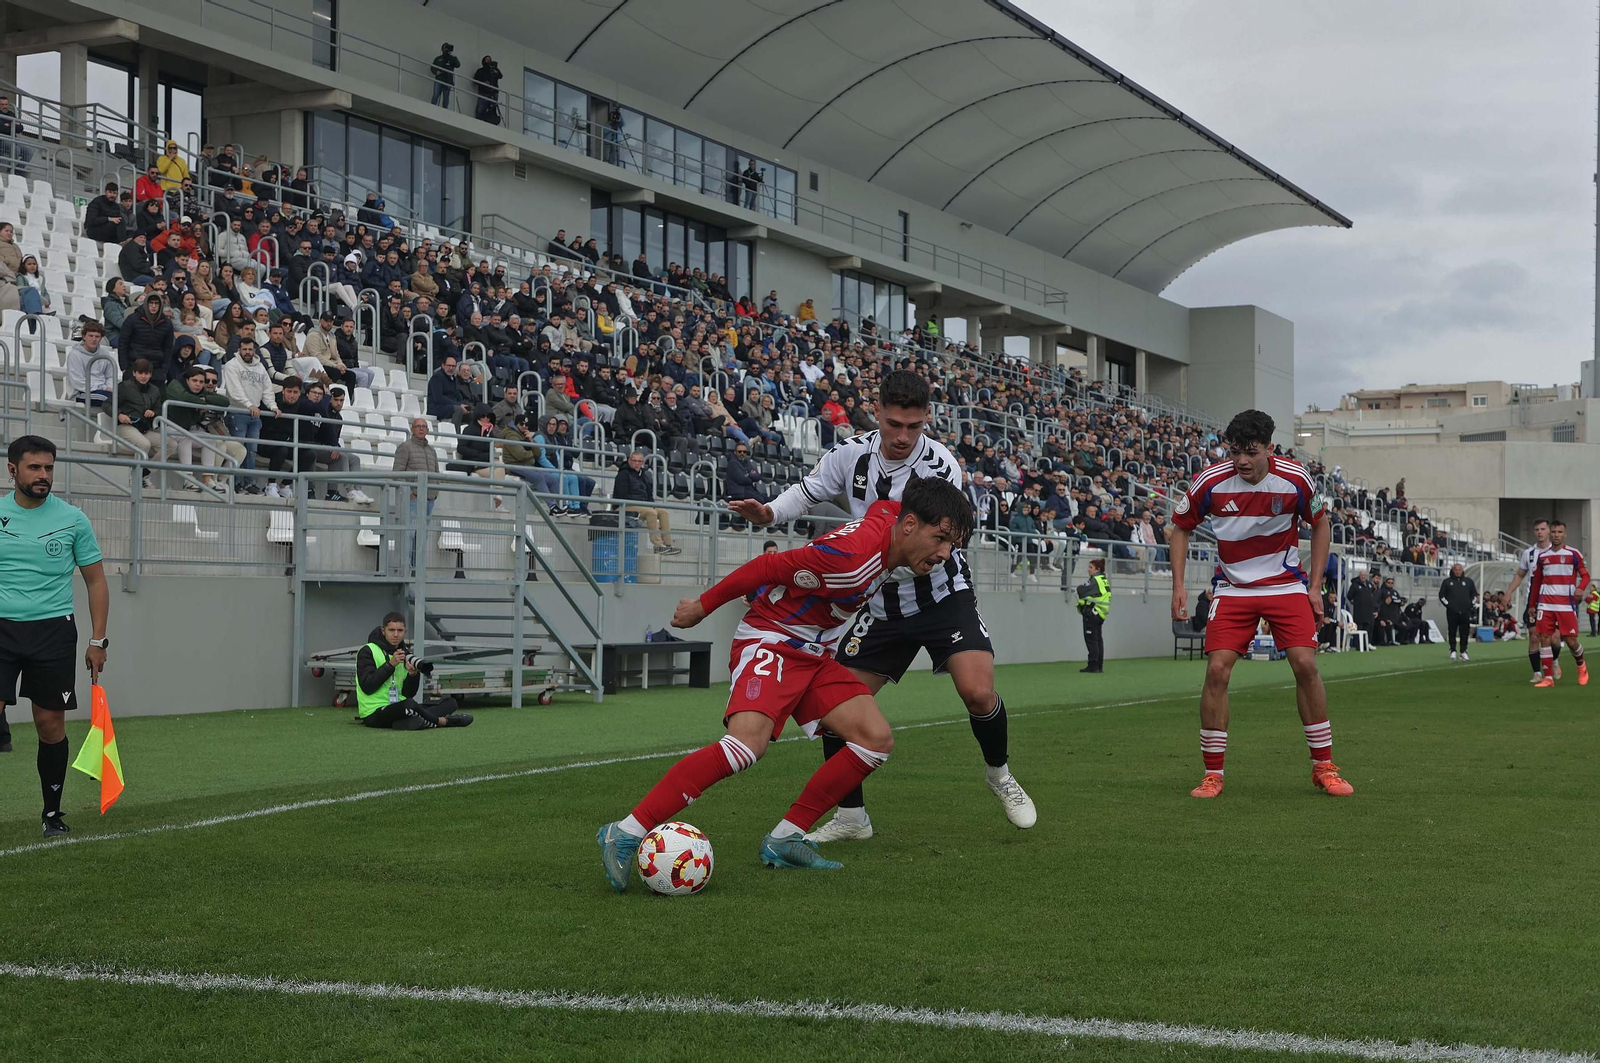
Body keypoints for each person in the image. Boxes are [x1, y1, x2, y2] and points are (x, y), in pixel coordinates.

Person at [596, 475, 973, 890]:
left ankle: (785, 838)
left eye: (951, 543)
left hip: (816, 654)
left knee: (874, 739)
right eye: (939, 538)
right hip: (773, 638)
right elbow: (768, 567)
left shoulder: (889, 516)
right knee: (745, 746)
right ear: (909, 525)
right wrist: (702, 606)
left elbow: (886, 502)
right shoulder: (851, 562)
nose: (944, 553)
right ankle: (625, 832)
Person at [728, 370, 1034, 841]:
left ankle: (999, 773)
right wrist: (770, 512)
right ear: (877, 413)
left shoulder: (940, 466)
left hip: (941, 594)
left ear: (927, 418)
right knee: (837, 709)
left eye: (913, 426)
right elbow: (808, 491)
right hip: (880, 603)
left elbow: (935, 542)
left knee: (977, 692)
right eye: (893, 424)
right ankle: (852, 818)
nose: (903, 436)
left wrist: (861, 561)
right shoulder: (851, 454)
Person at [1168, 409, 1351, 799]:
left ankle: (1324, 766)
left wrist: (1315, 586)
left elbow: (1321, 523)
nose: (1241, 461)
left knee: (1305, 664)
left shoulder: (1296, 479)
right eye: (1235, 452)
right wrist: (1178, 586)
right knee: (1217, 670)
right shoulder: (1210, 481)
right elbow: (1180, 529)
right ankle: (1212, 774)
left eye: (1251, 452)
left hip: (1285, 585)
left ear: (1270, 448)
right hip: (1232, 588)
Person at [0, 436, 110, 834]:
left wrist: (97, 641)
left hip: (53, 631)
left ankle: (52, 814)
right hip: (2, 628)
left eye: (48, 467)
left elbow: (96, 581)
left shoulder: (73, 519)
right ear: (13, 470)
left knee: (49, 724)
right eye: (34, 467)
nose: (43, 475)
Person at [355, 612, 471, 729]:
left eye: (400, 631)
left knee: (450, 703)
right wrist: (390, 665)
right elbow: (367, 686)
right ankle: (443, 722)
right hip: (374, 711)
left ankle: (412, 722)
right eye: (391, 630)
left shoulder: (404, 653)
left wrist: (413, 675)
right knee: (410, 705)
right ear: (383, 631)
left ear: (405, 632)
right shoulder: (368, 651)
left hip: (401, 707)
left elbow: (408, 694)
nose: (396, 635)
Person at [1529, 519, 1590, 688]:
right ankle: (1548, 678)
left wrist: (1580, 588)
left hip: (1565, 604)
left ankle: (1581, 665)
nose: (1556, 535)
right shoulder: (1543, 556)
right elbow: (1537, 582)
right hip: (1546, 603)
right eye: (1554, 532)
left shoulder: (1573, 554)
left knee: (1571, 641)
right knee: (1544, 637)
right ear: (1550, 533)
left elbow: (1585, 576)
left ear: (1565, 534)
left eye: (1560, 532)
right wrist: (1532, 604)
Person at [1504, 519, 1561, 684]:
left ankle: (1554, 660)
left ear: (1549, 531)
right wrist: (1509, 592)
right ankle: (1537, 673)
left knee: (1554, 638)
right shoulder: (1529, 554)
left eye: (1543, 529)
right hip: (1534, 600)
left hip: (1554, 599)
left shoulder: (1557, 551)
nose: (1540, 532)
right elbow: (1520, 574)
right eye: (1537, 529)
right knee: (1534, 636)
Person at [612, 450, 680, 555]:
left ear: (642, 463)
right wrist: (643, 504)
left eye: (639, 461)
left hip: (643, 505)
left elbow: (649, 494)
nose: (637, 463)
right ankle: (658, 545)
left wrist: (650, 504)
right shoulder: (623, 475)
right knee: (651, 513)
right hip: (626, 505)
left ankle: (668, 544)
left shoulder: (644, 475)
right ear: (629, 461)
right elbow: (622, 495)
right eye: (634, 461)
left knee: (664, 512)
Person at [1075, 557, 1110, 674]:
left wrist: (1080, 589)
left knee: (1091, 640)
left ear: (1097, 569)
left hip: (1093, 613)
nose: (1088, 569)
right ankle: (1099, 665)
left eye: (1091, 567)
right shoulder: (1104, 580)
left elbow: (1081, 590)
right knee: (1098, 640)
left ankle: (1093, 665)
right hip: (1100, 614)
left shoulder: (1095, 580)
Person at [1438, 562, 1478, 661]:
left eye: (1459, 570)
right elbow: (1441, 595)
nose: (1457, 572)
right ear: (1453, 570)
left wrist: (1470, 604)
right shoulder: (1447, 582)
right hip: (1452, 612)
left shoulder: (1469, 581)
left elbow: (1474, 594)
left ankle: (1463, 651)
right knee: (1452, 631)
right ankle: (1452, 650)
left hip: (1465, 611)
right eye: (1455, 570)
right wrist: (1449, 605)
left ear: (1462, 570)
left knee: (1464, 632)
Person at [430, 43, 461, 107]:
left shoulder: (452, 58)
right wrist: (436, 72)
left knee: (446, 96)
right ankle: (432, 107)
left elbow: (458, 65)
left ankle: (444, 109)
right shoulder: (438, 58)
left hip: (448, 80)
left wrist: (454, 57)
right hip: (439, 79)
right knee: (436, 94)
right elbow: (432, 67)